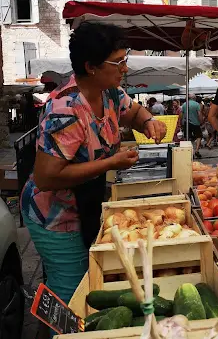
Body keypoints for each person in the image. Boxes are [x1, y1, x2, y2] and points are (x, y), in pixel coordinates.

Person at [20, 22, 166, 303]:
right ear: (91, 67)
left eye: (126, 58)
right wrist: (110, 163)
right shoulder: (66, 109)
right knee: (72, 290)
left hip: (86, 203)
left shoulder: (109, 92)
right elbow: (46, 177)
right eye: (118, 62)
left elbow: (133, 111)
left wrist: (148, 120)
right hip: (54, 214)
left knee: (92, 277)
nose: (125, 67)